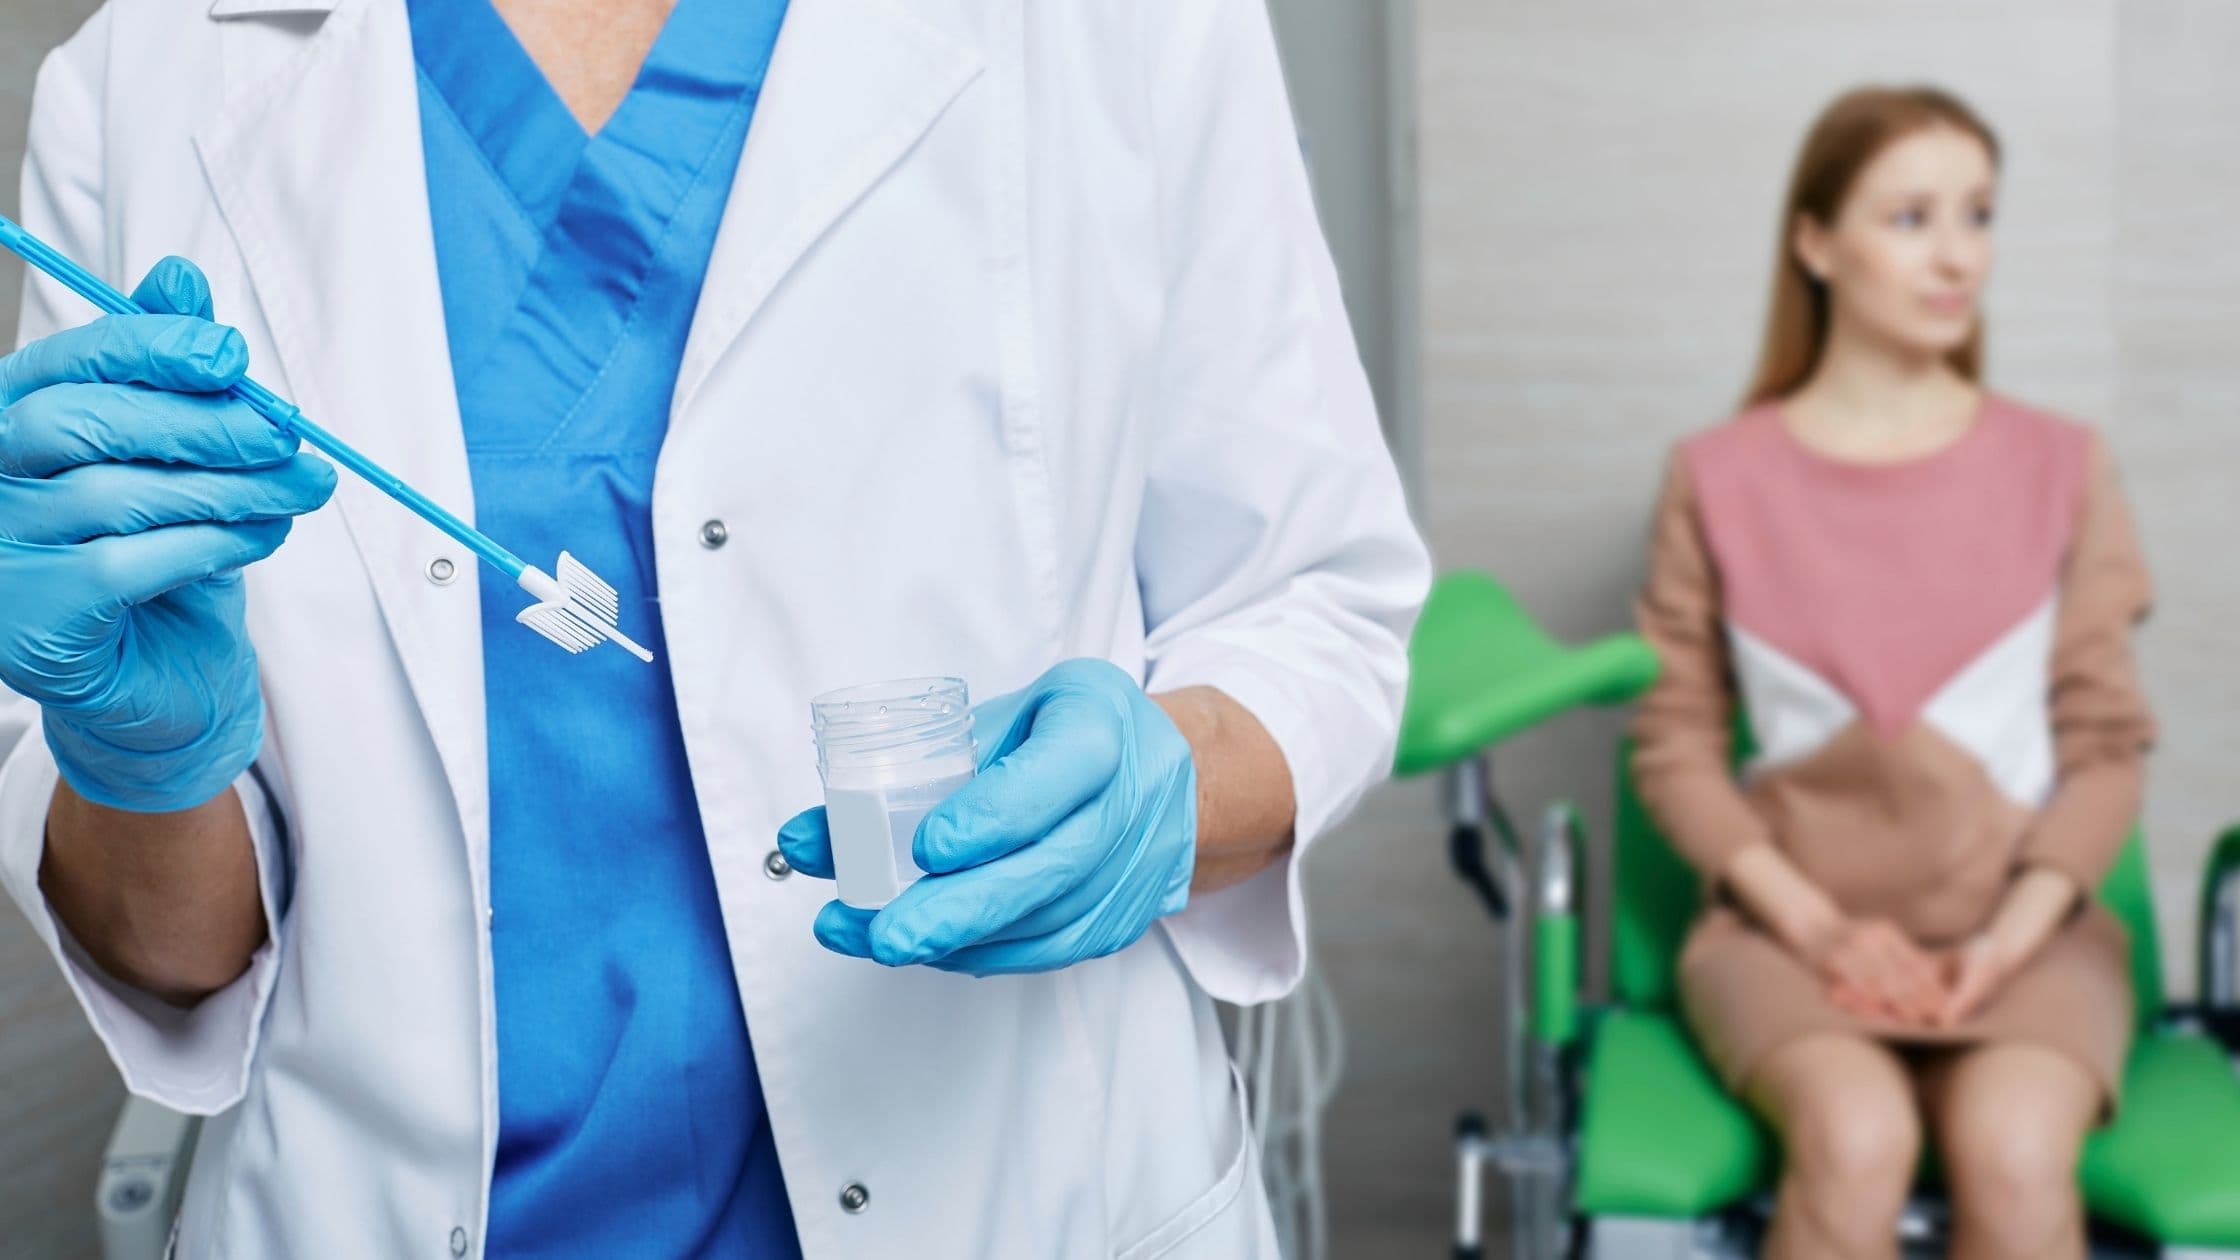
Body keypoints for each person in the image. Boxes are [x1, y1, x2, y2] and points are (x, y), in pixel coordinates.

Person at [0, 0, 1428, 1255]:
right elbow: (169, 952)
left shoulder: (1123, 25)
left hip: (1023, 1196)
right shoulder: (142, 79)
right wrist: (145, 762)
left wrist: (1159, 791)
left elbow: (1316, 602)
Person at [1631, 86, 2154, 1260]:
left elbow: (2104, 753)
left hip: (2023, 935)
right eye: (1910, 218)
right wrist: (1820, 932)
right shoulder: (1715, 477)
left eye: (1977, 214)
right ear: (1814, 244)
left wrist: (2001, 945)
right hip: (1784, 934)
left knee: (2015, 1152)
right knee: (1854, 1140)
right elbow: (1672, 749)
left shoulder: (2061, 466)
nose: (1956, 256)